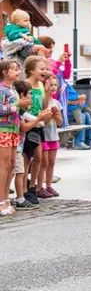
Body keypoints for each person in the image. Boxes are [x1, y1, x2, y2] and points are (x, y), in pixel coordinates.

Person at [0, 60, 31, 216]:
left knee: (11, 165)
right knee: (4, 165)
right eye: (14, 69)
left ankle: (5, 199)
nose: (17, 71)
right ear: (4, 72)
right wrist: (17, 105)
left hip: (13, 130)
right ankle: (0, 201)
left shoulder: (13, 89)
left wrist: (23, 106)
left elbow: (16, 111)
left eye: (18, 68)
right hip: (3, 129)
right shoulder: (2, 89)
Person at [21, 56, 49, 205]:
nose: (45, 71)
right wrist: (36, 120)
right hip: (30, 125)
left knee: (39, 158)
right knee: (27, 159)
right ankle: (25, 189)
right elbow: (23, 109)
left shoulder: (41, 85)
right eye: (41, 68)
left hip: (39, 125)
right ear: (31, 70)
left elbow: (43, 105)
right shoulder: (25, 85)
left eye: (45, 68)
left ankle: (33, 187)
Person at [36, 74, 62, 198]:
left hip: (53, 136)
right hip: (44, 136)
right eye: (50, 85)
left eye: (55, 85)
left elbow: (60, 122)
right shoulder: (42, 100)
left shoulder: (56, 102)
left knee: (51, 162)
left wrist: (56, 115)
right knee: (44, 162)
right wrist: (48, 115)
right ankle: (39, 186)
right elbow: (42, 118)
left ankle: (49, 185)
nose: (53, 87)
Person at [67, 83, 91, 150]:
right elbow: (63, 99)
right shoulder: (59, 85)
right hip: (73, 108)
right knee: (83, 118)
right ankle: (76, 140)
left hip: (82, 105)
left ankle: (88, 139)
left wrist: (83, 98)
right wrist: (77, 99)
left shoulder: (67, 84)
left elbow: (79, 95)